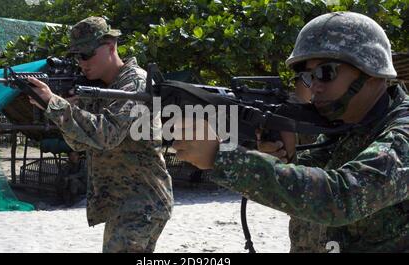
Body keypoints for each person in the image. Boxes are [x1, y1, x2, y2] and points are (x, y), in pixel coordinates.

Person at [173, 12, 408, 252]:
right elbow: (308, 186)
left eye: (326, 73)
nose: (314, 85)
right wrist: (285, 160)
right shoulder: (347, 125)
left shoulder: (402, 132)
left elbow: (342, 197)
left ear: (370, 72)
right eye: (307, 76)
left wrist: (220, 157)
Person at [27, 17, 173, 252]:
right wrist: (63, 109)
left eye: (86, 54)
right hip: (124, 203)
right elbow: (80, 144)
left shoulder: (134, 83)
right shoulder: (102, 88)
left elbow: (107, 135)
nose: (81, 62)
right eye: (77, 56)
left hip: (141, 202)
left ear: (111, 45)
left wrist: (55, 104)